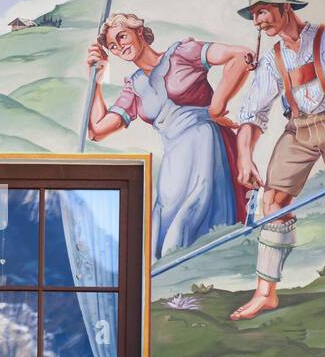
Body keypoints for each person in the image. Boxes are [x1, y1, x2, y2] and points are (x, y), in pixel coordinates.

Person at [229, 0, 325, 323]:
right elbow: (252, 113)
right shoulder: (272, 60)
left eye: (262, 12)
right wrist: (245, 156)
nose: (258, 22)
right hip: (300, 128)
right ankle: (266, 294)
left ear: (285, 8)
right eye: (253, 15)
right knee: (273, 202)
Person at [86, 13, 254, 254]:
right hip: (175, 163)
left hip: (205, 146)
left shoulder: (182, 53)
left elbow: (242, 55)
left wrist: (217, 106)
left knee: (196, 219)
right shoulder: (135, 86)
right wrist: (97, 82)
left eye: (122, 37)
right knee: (169, 228)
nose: (119, 46)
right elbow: (97, 131)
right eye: (112, 45)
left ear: (139, 32)